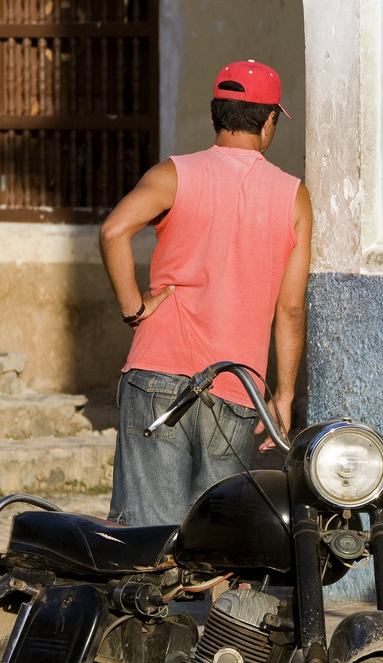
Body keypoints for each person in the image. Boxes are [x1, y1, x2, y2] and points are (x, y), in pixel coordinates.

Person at [98, 59, 313, 527]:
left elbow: (114, 230)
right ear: (270, 120)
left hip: (157, 372)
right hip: (237, 387)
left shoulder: (174, 174)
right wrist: (283, 395)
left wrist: (135, 309)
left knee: (146, 537)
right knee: (217, 538)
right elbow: (291, 308)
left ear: (215, 115)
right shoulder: (293, 196)